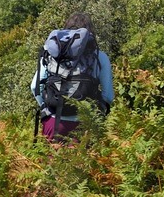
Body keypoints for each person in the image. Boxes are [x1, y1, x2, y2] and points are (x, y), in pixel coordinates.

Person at [31, 12, 113, 141]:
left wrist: (46, 108)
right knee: (83, 161)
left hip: (53, 122)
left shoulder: (52, 54)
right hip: (86, 125)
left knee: (51, 161)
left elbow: (34, 87)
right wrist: (96, 115)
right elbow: (108, 96)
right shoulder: (99, 56)